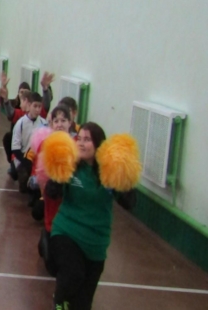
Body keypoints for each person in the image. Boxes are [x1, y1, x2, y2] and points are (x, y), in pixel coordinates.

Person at [47, 123, 137, 309]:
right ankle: (59, 300)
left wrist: (123, 181)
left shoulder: (108, 171)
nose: (81, 143)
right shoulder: (70, 165)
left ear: (99, 144)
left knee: (83, 303)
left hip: (96, 241)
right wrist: (59, 174)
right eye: (79, 138)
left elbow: (129, 203)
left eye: (87, 139)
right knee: (73, 274)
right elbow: (51, 192)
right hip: (66, 231)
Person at [34, 105, 73, 275]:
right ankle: (46, 236)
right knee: (52, 267)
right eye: (56, 121)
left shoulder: (75, 145)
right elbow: (39, 173)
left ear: (70, 123)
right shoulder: (45, 145)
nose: (59, 124)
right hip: (51, 197)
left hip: (70, 198)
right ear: (51, 124)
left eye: (63, 120)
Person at [11, 92, 48, 193]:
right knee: (24, 188)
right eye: (35, 106)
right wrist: (26, 161)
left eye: (39, 106)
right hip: (23, 157)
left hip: (38, 158)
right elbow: (15, 148)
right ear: (29, 105)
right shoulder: (20, 123)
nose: (37, 109)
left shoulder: (44, 123)